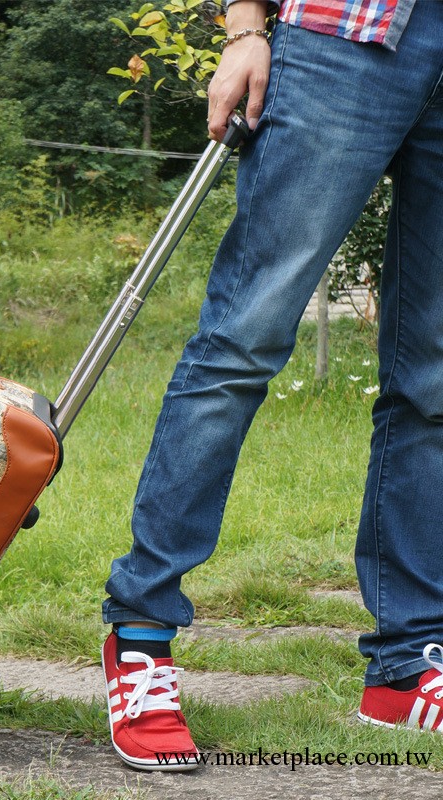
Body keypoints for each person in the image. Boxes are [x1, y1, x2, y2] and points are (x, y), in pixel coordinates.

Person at [101, 0, 443, 772]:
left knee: (436, 381)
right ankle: (142, 633)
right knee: (241, 342)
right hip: (341, 38)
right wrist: (246, 30)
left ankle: (408, 664)